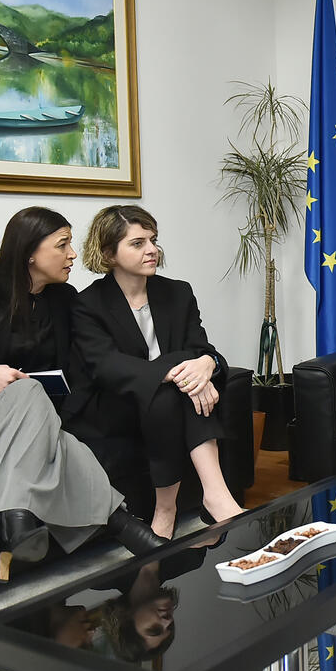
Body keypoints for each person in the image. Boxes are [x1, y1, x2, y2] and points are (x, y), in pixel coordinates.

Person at [0, 207, 165, 580]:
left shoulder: (63, 299)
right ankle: (121, 523)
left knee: (31, 402)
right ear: (30, 252)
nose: (73, 254)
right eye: (62, 245)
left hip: (19, 415)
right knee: (49, 429)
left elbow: (75, 367)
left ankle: (18, 524)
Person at [74, 205, 244, 539]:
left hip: (171, 401)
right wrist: (181, 370)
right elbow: (107, 366)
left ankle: (198, 502)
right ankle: (198, 503)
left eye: (153, 240)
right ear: (108, 254)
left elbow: (199, 348)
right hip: (115, 405)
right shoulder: (88, 304)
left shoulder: (177, 292)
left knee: (183, 389)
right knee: (176, 387)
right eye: (138, 243)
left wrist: (208, 363)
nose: (152, 249)